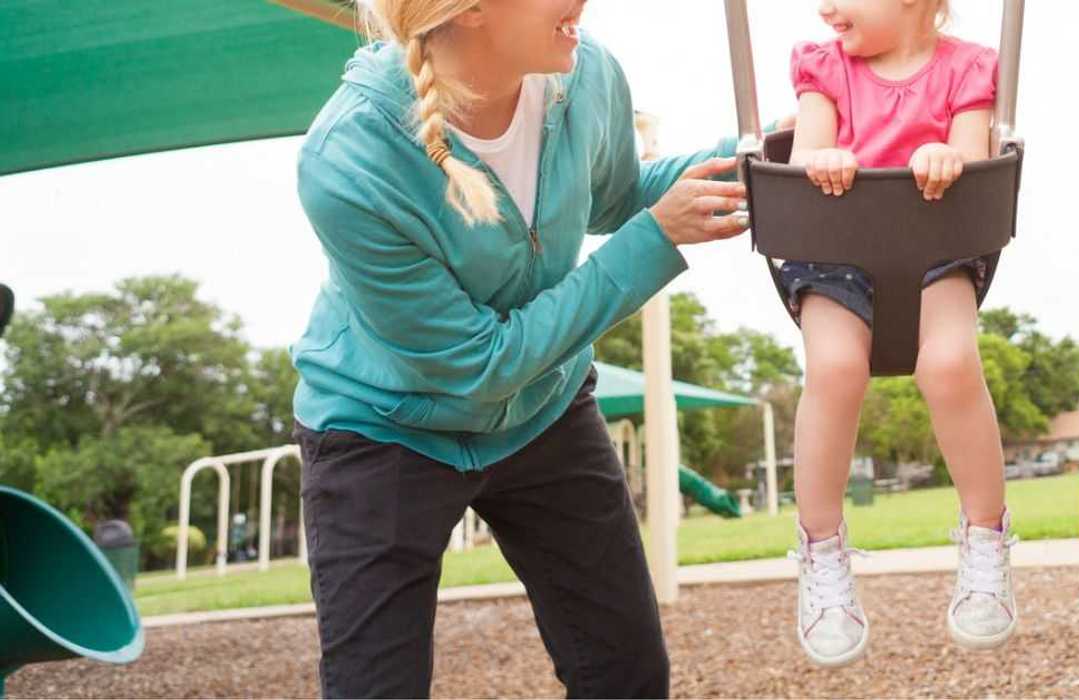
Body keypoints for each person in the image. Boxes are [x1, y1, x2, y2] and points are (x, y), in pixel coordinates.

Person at [289, 0, 755, 696]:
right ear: (471, 8)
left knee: (625, 673)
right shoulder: (349, 158)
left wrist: (755, 164)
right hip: (385, 428)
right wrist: (655, 240)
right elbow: (478, 366)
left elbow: (617, 196)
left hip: (544, 409)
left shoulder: (586, 71)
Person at [781, 0, 1017, 667]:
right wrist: (822, 158)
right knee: (833, 370)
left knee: (947, 364)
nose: (823, 5)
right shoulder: (821, 66)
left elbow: (971, 161)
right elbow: (803, 155)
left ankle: (983, 539)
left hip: (934, 252)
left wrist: (948, 156)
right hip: (833, 255)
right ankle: (822, 556)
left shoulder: (968, 68)